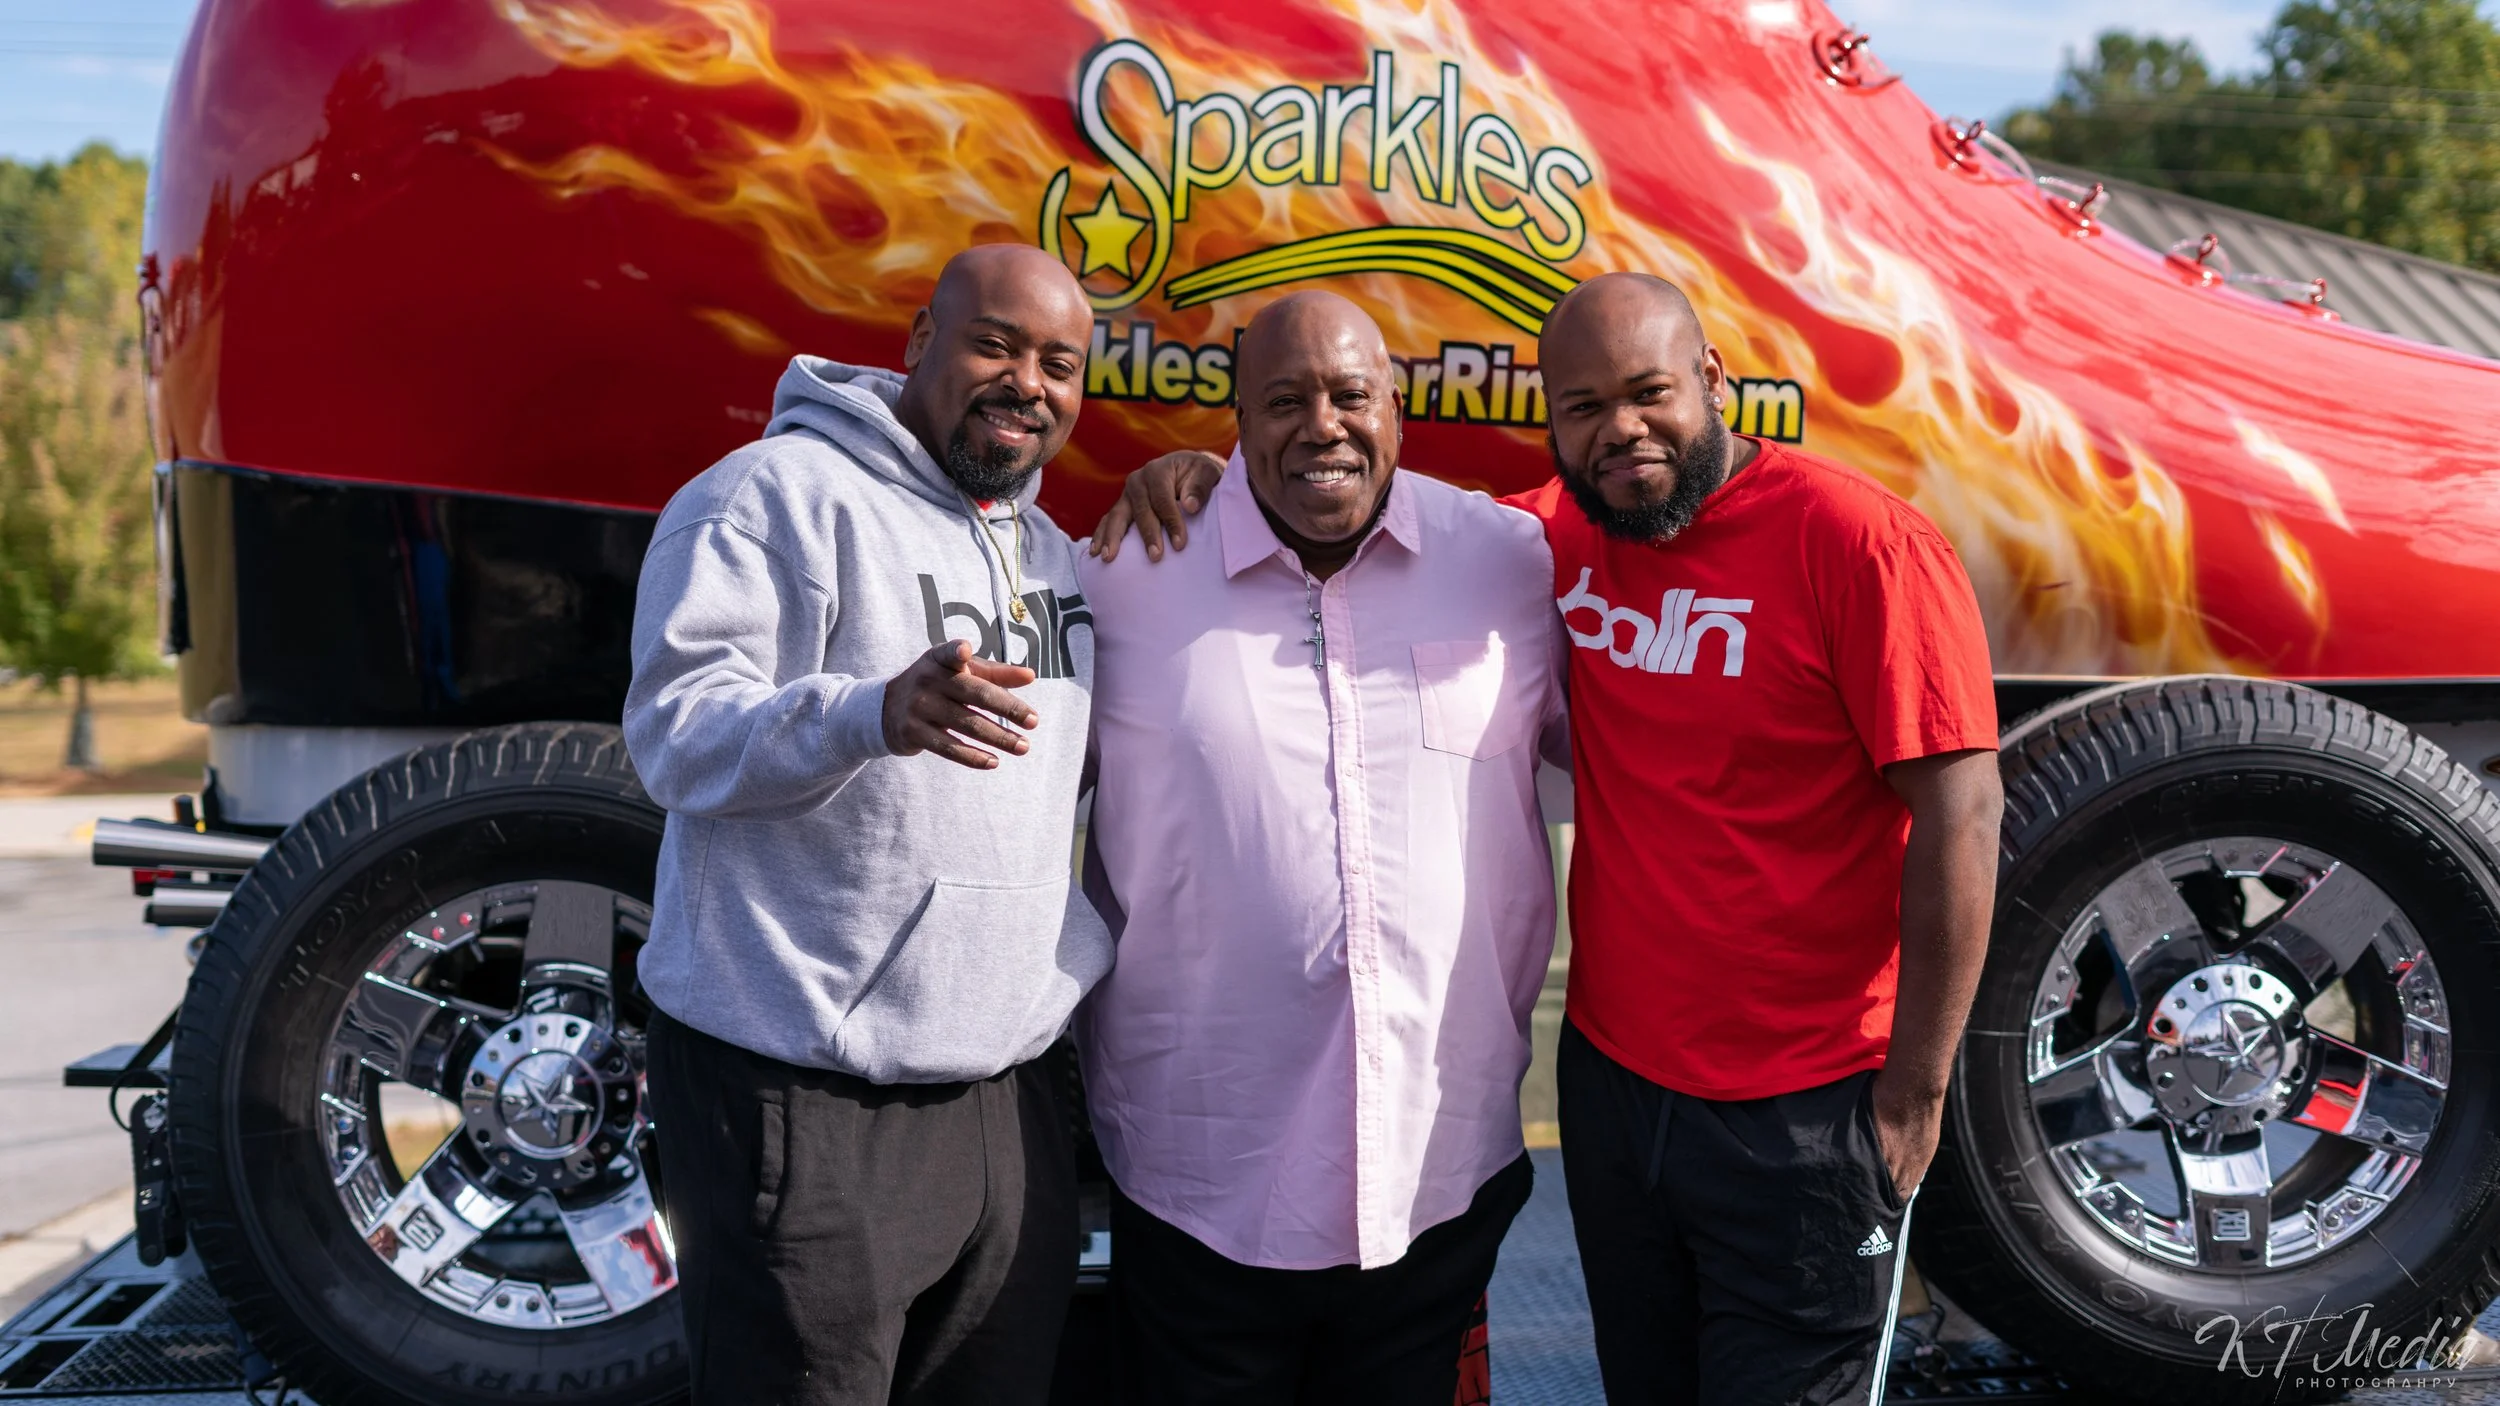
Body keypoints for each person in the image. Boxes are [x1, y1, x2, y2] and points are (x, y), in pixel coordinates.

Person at [1092, 270, 2003, 1405]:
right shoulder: (1538, 543)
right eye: (1582, 407)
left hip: (1806, 1099)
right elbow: (1334, 498)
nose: (1620, 430)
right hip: (1619, 1091)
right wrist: (1196, 480)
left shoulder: (1861, 542)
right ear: (1552, 425)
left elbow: (1963, 815)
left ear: (1715, 382)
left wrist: (1915, 1092)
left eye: (1648, 393)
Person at [622, 243, 1108, 1406]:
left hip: (1008, 1094)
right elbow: (673, 731)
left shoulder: (1054, 557)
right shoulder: (767, 497)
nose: (1026, 382)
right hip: (805, 1090)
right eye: (995, 343)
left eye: (1060, 363)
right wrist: (867, 713)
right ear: (917, 340)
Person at [1077, 290, 1566, 1405]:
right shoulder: (1123, 570)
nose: (1322, 425)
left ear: (1395, 405)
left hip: (1435, 1170)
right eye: (1284, 400)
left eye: (1350, 394)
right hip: (1195, 1169)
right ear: (1234, 422)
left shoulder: (1511, 561)